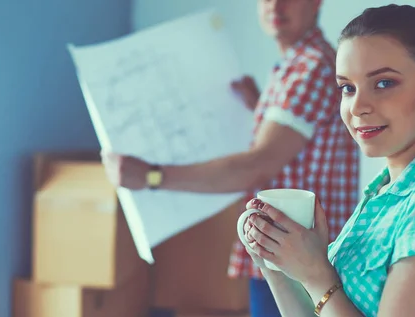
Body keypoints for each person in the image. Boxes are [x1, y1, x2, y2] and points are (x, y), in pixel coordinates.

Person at [100, 0, 359, 316]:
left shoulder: (311, 67)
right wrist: (259, 110)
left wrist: (152, 176)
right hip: (287, 253)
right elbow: (298, 153)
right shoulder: (294, 66)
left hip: (295, 258)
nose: (275, 5)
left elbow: (257, 167)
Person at [241, 4, 415, 317]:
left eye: (383, 83)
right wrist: (277, 264)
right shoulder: (382, 195)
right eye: (347, 88)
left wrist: (315, 273)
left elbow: (324, 291)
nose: (357, 106)